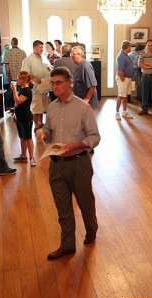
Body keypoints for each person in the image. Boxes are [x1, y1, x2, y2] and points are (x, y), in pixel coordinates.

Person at [35, 67, 100, 260]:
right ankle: (67, 245)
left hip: (79, 163)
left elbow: (95, 137)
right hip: (56, 164)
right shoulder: (52, 107)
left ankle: (91, 229)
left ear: (69, 83)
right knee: (63, 208)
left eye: (59, 83)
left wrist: (76, 146)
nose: (55, 86)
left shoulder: (83, 108)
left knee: (85, 203)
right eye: (52, 82)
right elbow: (48, 128)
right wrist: (43, 132)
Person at [21, 40, 52, 130]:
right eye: (40, 47)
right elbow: (25, 73)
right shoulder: (28, 59)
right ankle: (36, 124)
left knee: (42, 106)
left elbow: (49, 67)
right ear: (34, 47)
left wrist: (50, 69)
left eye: (42, 47)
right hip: (35, 87)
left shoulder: (44, 58)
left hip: (44, 86)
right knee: (36, 106)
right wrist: (34, 77)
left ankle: (41, 122)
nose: (42, 49)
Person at [10, 71, 36, 167]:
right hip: (20, 116)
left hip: (26, 117)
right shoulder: (21, 89)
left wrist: (13, 90)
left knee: (28, 137)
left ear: (25, 80)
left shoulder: (27, 90)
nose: (17, 80)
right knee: (22, 137)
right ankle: (23, 156)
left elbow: (18, 101)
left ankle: (32, 158)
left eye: (19, 78)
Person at [138, 39, 152, 116]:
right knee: (144, 93)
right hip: (145, 77)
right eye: (148, 45)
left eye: (151, 45)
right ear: (146, 45)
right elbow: (140, 64)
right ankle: (144, 109)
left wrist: (146, 64)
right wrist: (149, 66)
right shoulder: (142, 54)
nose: (150, 47)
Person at [115, 40, 135, 120]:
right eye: (130, 46)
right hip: (123, 79)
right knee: (121, 95)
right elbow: (120, 70)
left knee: (125, 95)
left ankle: (124, 112)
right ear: (127, 47)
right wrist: (123, 80)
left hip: (128, 78)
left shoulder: (126, 55)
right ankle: (117, 113)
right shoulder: (121, 56)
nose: (131, 48)